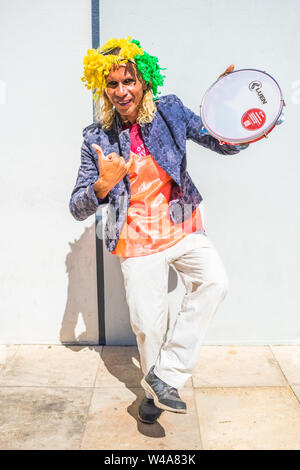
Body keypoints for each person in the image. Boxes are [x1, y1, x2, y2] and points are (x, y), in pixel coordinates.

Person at [69, 37, 248, 424]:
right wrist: (103, 184)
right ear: (104, 88)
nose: (121, 91)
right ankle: (156, 393)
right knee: (148, 324)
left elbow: (222, 143)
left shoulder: (170, 112)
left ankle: (164, 377)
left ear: (144, 81)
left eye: (129, 81)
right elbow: (76, 205)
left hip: (182, 225)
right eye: (112, 84)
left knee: (214, 282)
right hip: (136, 239)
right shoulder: (94, 138)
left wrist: (226, 109)